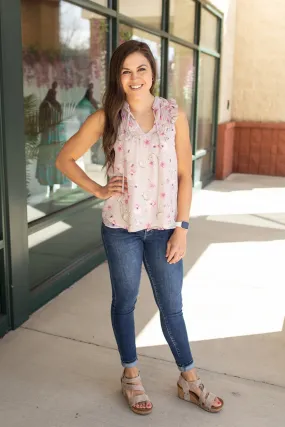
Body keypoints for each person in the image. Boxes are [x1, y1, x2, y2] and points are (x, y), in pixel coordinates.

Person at [56, 40, 224, 415]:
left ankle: (189, 379)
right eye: (126, 71)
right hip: (122, 228)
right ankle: (130, 375)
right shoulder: (107, 117)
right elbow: (64, 159)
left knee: (172, 306)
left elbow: (184, 175)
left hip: (164, 228)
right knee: (126, 302)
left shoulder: (172, 114)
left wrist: (182, 227)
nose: (135, 78)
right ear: (118, 77)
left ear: (152, 72)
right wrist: (98, 189)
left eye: (141, 69)